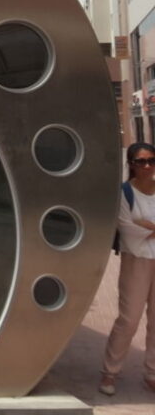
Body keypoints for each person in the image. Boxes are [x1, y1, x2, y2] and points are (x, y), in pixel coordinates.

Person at [101, 141, 155, 396]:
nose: (147, 166)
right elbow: (127, 228)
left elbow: (139, 226)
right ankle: (110, 372)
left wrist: (147, 225)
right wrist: (143, 227)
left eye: (151, 161)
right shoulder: (125, 192)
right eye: (141, 161)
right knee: (129, 318)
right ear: (131, 164)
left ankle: (152, 372)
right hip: (136, 260)